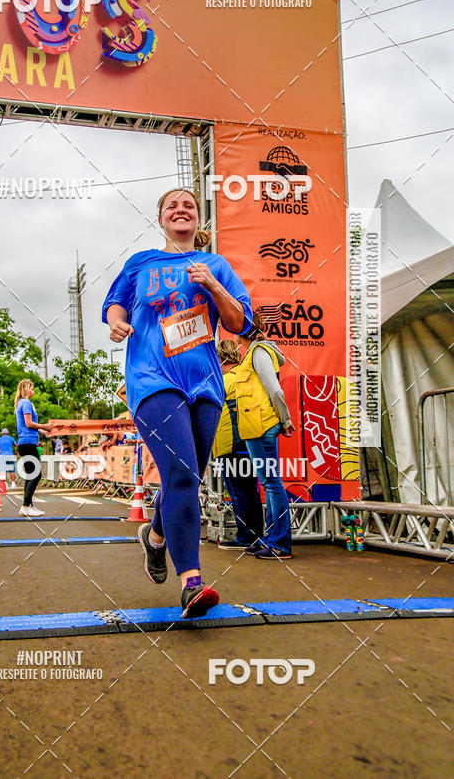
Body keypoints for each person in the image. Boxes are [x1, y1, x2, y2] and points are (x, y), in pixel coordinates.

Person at [103, 187, 252, 618]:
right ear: (162, 218)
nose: (181, 209)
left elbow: (239, 322)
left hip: (204, 383)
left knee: (183, 478)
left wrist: (213, 287)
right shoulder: (141, 263)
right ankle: (192, 582)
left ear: (197, 219)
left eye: (189, 204)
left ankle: (155, 536)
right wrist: (117, 324)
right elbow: (115, 304)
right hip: (152, 379)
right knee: (184, 473)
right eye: (173, 205)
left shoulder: (217, 265)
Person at [234, 313, 295, 559]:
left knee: (271, 483)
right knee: (269, 484)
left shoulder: (259, 352)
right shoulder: (254, 353)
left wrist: (285, 420)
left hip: (261, 426)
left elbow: (274, 389)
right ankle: (272, 539)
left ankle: (279, 542)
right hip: (256, 427)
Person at [212, 340, 264, 550]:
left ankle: (245, 537)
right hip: (250, 442)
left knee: (238, 492)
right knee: (250, 491)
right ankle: (256, 535)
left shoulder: (223, 382)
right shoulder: (246, 377)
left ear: (222, 358)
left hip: (230, 444)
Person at [15, 379, 51, 517]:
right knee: (36, 474)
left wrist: (43, 432)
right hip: (28, 442)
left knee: (31, 474)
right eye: (31, 388)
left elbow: (28, 425)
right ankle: (25, 506)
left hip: (25, 442)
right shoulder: (26, 403)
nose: (33, 391)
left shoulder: (21, 403)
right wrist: (44, 426)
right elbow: (29, 423)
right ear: (25, 389)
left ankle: (28, 505)